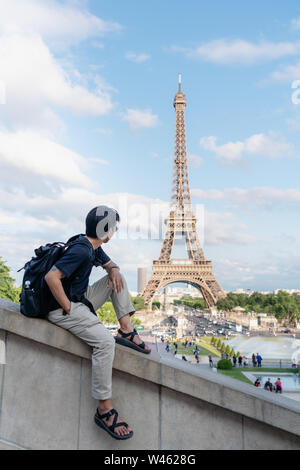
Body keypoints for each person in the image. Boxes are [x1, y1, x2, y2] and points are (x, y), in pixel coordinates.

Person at [45, 206, 151, 441]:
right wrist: (69, 308)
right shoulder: (82, 251)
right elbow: (51, 277)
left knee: (117, 277)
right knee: (104, 343)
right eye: (113, 227)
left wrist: (112, 269)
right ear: (105, 230)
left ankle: (126, 331)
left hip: (79, 298)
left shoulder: (91, 244)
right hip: (63, 308)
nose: (114, 231)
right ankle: (104, 409)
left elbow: (111, 264)